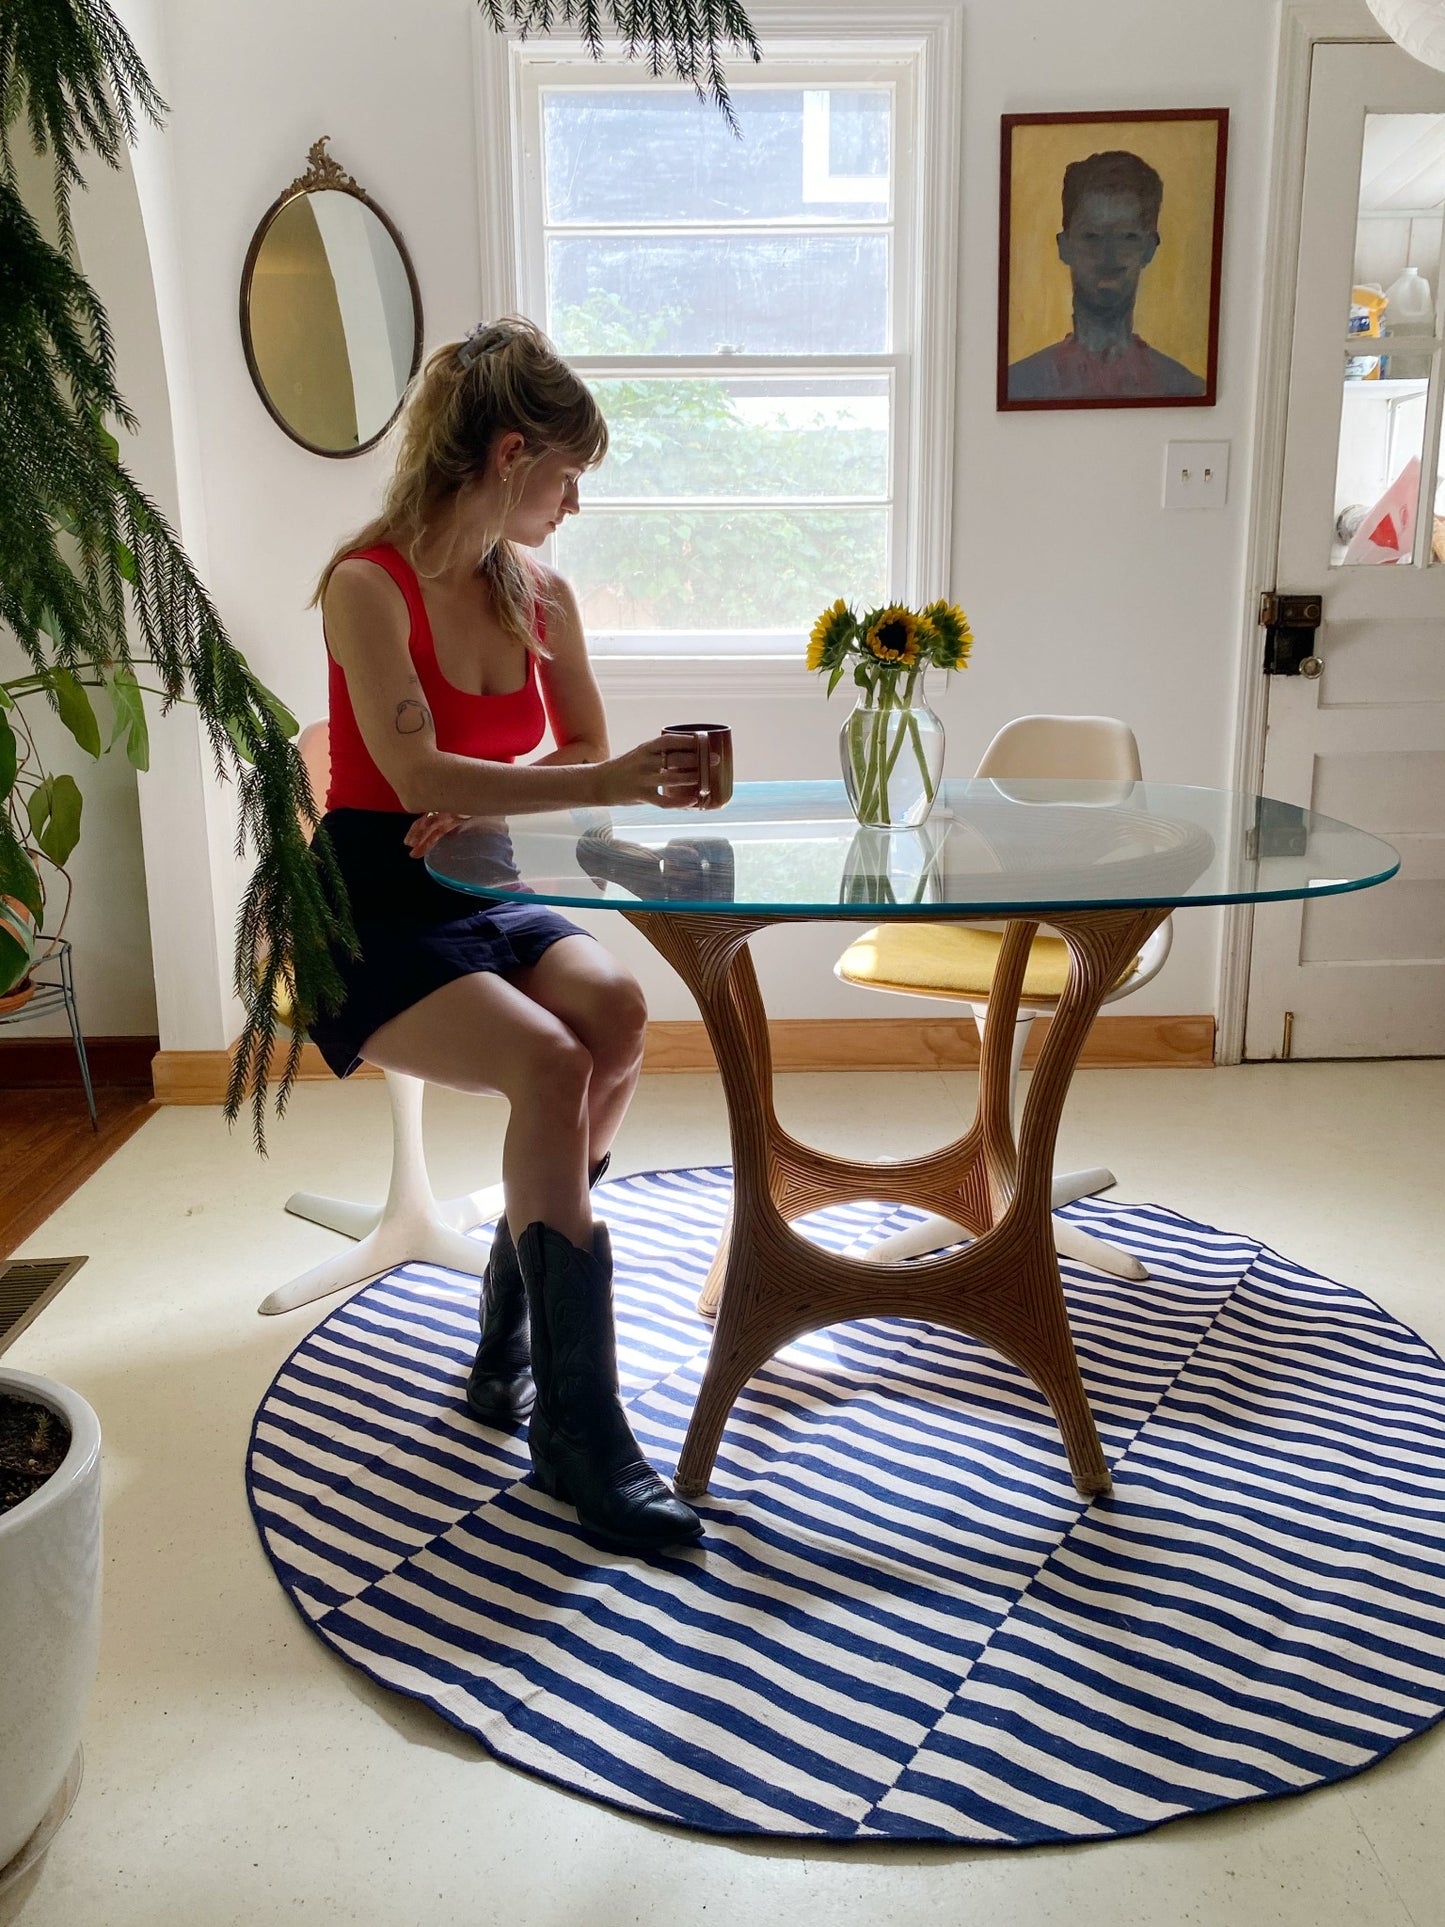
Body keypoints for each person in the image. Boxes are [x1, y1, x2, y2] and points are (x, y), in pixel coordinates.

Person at [309, 316, 705, 1553]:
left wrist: (513, 792)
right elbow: (412, 764)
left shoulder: (541, 592)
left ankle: (511, 1327)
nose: (573, 505)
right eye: (567, 476)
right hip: (375, 899)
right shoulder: (363, 585)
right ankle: (576, 1435)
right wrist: (572, 782)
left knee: (619, 1015)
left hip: (482, 872)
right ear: (511, 451)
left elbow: (582, 751)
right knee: (549, 1061)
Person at [1006, 149, 1206, 403]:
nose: (1108, 257)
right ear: (1064, 247)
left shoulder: (1185, 388)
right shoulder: (1018, 385)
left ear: (1149, 248)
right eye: (1092, 237)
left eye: (1127, 238)